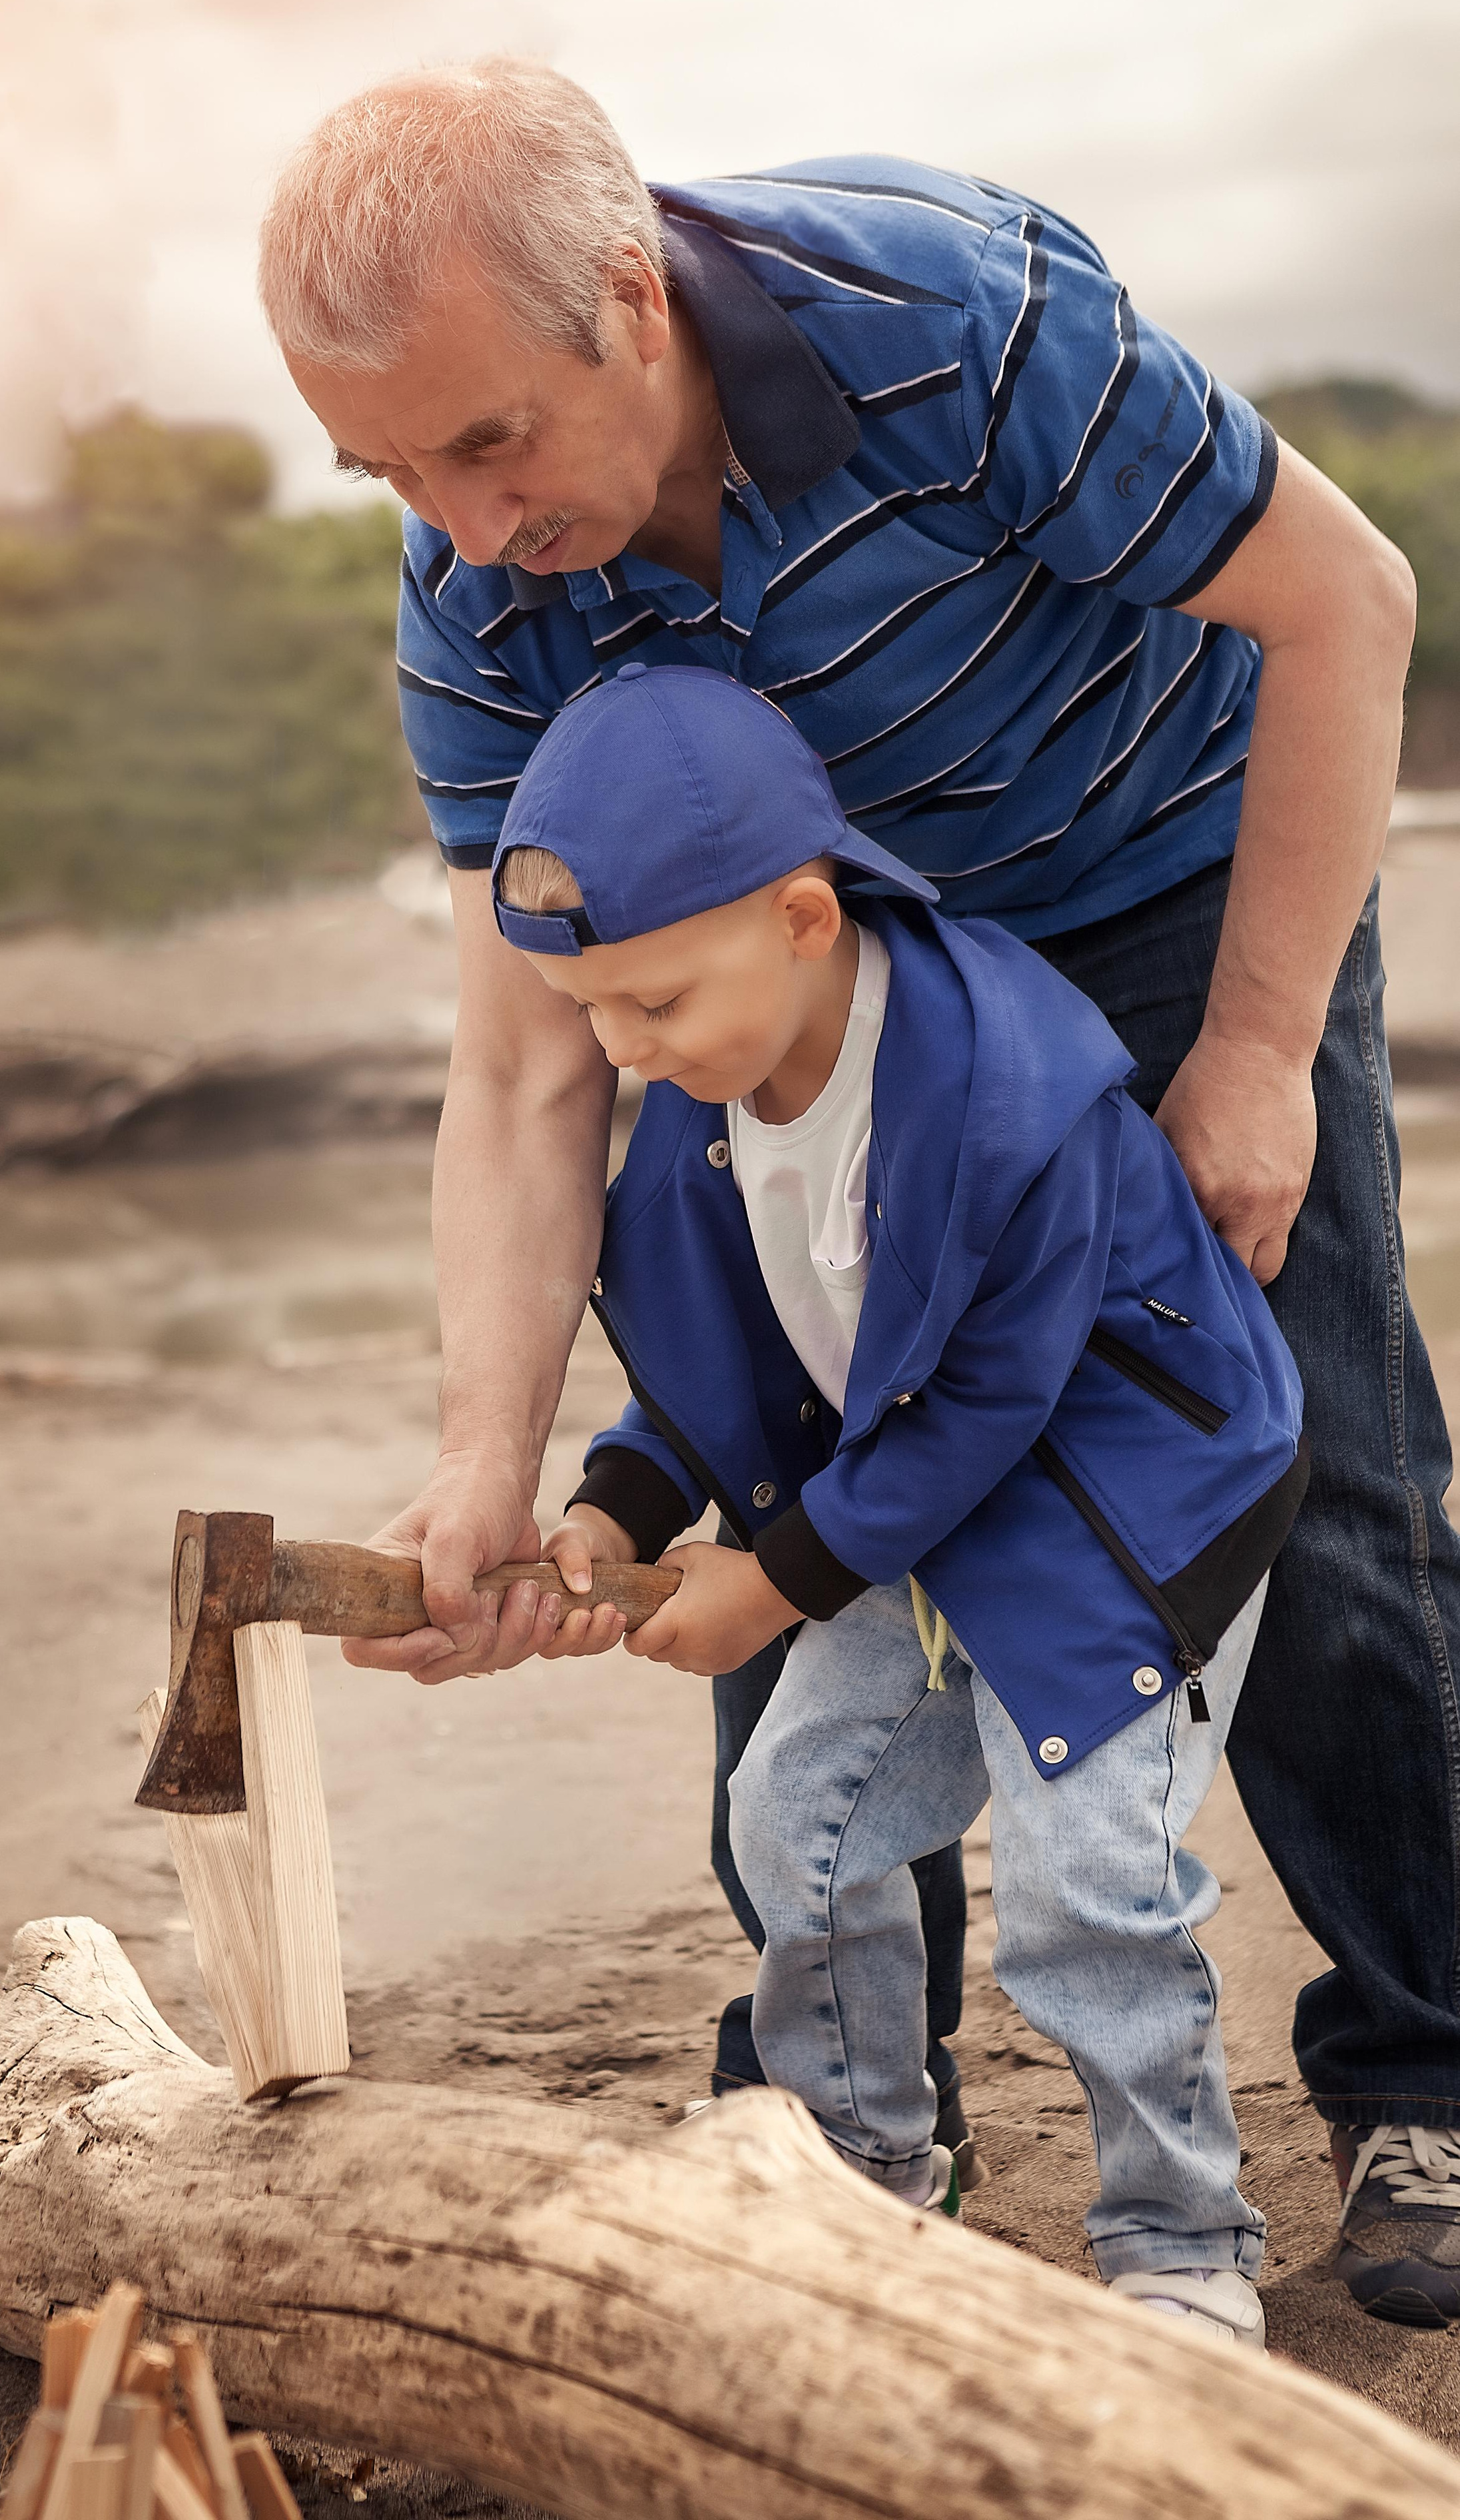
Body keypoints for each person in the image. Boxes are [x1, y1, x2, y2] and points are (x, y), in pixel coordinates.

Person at [257, 63, 1460, 2325]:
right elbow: (528, 1058)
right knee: (782, 1464)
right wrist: (491, 1465)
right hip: (819, 992)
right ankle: (848, 2114)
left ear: (630, 301)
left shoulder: (955, 325)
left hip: (1168, 885)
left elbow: (1349, 602)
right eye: (388, 468)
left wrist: (1258, 1053)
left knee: (1326, 1478)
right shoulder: (482, 598)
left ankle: (1435, 2073)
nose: (454, 518)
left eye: (487, 441)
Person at [488, 659, 1305, 2349]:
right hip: (907, 1502)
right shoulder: (699, 1106)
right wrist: (616, 1512)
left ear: (800, 916)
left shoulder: (1005, 1093)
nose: (620, 1050)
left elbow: (995, 1396)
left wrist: (772, 1583)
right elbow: (732, 1358)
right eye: (591, 1018)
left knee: (1091, 1889)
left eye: (650, 1004)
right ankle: (860, 2170)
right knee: (796, 1818)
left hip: (1116, 1512)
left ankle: (1177, 2241)